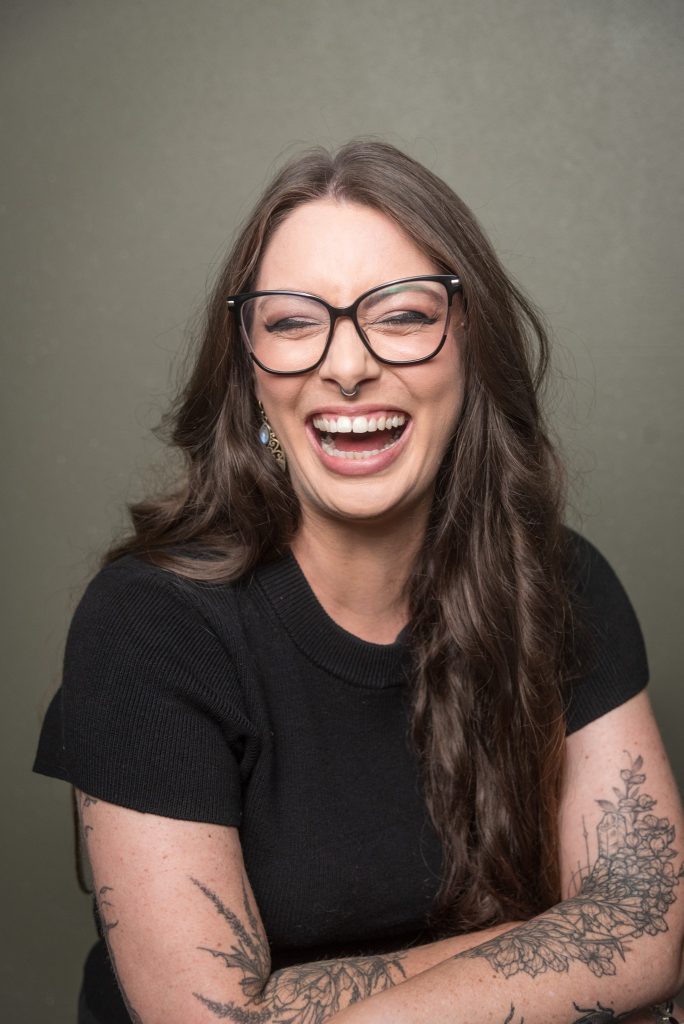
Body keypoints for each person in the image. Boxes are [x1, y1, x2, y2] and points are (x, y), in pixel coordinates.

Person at [34, 141, 683, 1024]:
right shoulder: (148, 625)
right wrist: (568, 954)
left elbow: (652, 929)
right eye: (295, 322)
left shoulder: (562, 582)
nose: (347, 366)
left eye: (404, 315)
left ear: (471, 348)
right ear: (249, 373)